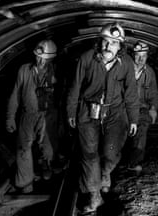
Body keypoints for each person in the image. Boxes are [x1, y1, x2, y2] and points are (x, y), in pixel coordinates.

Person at [66, 22, 139, 213]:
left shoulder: (127, 63)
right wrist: (70, 112)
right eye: (106, 41)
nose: (108, 46)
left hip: (115, 114)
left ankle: (105, 173)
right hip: (88, 112)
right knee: (89, 155)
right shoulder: (87, 58)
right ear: (99, 42)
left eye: (114, 43)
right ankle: (94, 196)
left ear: (120, 46)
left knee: (111, 153)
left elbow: (131, 93)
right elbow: (74, 87)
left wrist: (133, 118)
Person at [6, 39, 59, 193]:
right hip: (27, 115)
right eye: (38, 56)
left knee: (48, 149)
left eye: (44, 58)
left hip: (47, 116)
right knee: (23, 149)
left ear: (51, 58)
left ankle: (47, 167)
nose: (39, 60)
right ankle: (25, 183)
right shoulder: (24, 70)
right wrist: (10, 117)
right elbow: (15, 94)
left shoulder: (56, 71)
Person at [126, 40, 158, 172]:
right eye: (138, 56)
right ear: (133, 55)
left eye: (143, 56)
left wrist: (153, 108)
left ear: (147, 56)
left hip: (141, 108)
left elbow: (154, 93)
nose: (140, 59)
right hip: (124, 108)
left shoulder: (149, 72)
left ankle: (134, 163)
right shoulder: (124, 69)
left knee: (141, 130)